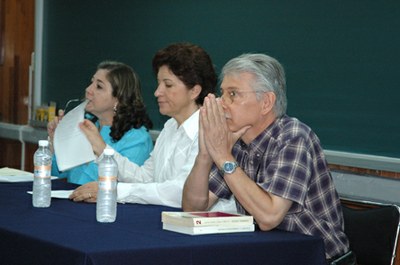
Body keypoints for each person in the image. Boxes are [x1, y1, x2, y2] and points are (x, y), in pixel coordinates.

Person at [182, 53, 352, 262]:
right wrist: (206, 154)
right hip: (269, 255)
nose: (221, 103)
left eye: (233, 94)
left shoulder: (293, 137)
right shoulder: (235, 142)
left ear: (266, 102)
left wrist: (222, 155)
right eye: (222, 93)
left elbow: (269, 217)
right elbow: (193, 208)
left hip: (318, 258)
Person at [70, 43, 236, 211]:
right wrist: (102, 148)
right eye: (158, 83)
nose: (157, 92)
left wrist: (115, 190)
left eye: (168, 85)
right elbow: (145, 177)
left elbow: (181, 191)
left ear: (194, 91)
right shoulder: (170, 126)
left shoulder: (211, 129)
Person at [47, 61, 153, 185]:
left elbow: (120, 186)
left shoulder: (137, 139)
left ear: (118, 99)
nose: (88, 90)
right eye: (91, 82)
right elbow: (59, 175)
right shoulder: (85, 125)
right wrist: (56, 142)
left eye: (99, 86)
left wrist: (88, 154)